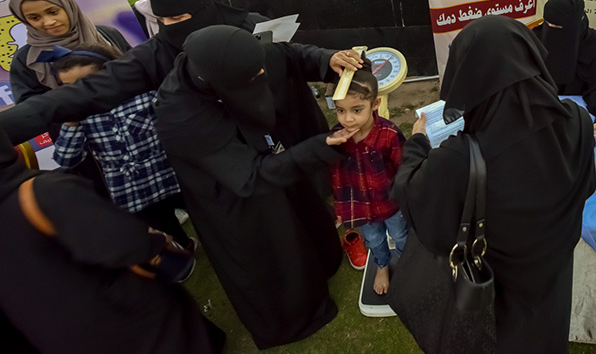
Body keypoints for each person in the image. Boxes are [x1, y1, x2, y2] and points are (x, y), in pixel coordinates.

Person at [395, 15, 596, 353]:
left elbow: (414, 199)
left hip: (497, 294)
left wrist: (417, 144)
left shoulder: (460, 157)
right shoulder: (576, 121)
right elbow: (585, 187)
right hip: (552, 280)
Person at [155, 26, 356, 349]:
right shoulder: (181, 116)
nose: (262, 77)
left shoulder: (238, 59)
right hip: (233, 193)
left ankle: (324, 263)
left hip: (272, 155)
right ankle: (296, 316)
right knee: (274, 250)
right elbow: (250, 177)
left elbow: (287, 55)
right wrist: (318, 148)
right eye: (253, 78)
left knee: (306, 214)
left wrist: (326, 60)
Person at [0, 126, 225, 354]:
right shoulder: (42, 193)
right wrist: (159, 244)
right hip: (128, 323)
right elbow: (127, 243)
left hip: (62, 338)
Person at [0, 0, 269, 147]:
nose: (168, 26)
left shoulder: (258, 30)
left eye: (177, 18)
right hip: (212, 148)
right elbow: (100, 86)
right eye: (161, 20)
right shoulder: (156, 51)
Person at [51, 45, 192, 249]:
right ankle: (185, 248)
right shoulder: (77, 115)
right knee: (167, 234)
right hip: (132, 189)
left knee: (208, 219)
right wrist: (71, 124)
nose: (79, 92)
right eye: (68, 86)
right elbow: (66, 159)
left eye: (87, 82)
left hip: (171, 175)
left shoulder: (143, 94)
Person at [8, 0, 130, 140]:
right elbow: (32, 111)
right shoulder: (27, 59)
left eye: (53, 12)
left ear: (68, 6)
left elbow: (135, 71)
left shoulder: (106, 35)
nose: (49, 22)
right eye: (35, 18)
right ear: (24, 20)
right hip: (78, 141)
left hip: (133, 124)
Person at [330, 69, 407, 295]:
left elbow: (403, 168)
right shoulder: (336, 138)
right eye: (340, 110)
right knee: (374, 239)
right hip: (360, 206)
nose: (347, 118)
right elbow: (336, 176)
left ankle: (406, 264)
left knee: (401, 235)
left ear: (375, 104)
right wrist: (340, 207)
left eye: (356, 110)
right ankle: (382, 265)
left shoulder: (389, 134)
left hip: (390, 203)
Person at [534, 0, 596, 147]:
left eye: (559, 27)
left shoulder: (592, 43)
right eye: (548, 24)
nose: (551, 29)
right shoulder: (534, 39)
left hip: (579, 117)